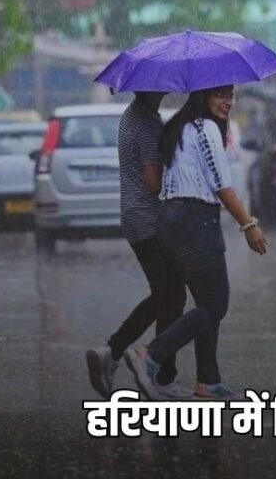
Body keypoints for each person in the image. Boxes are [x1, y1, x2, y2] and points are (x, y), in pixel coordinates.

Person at [125, 85, 269, 400]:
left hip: (171, 221)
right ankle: (151, 355)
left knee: (206, 302)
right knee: (216, 303)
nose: (227, 102)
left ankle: (209, 380)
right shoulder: (205, 129)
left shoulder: (180, 127)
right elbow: (221, 182)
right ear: (202, 96)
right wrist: (249, 224)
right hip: (194, 221)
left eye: (230, 95)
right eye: (220, 95)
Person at [85, 91, 190, 400]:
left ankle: (116, 352)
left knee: (166, 294)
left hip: (135, 217)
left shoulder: (133, 116)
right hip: (150, 220)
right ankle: (157, 371)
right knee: (173, 295)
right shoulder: (147, 124)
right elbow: (153, 182)